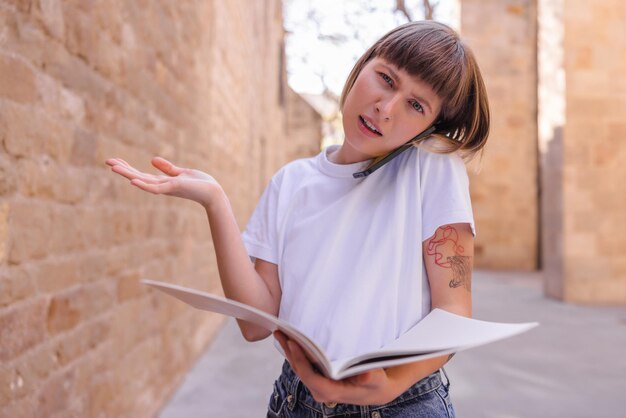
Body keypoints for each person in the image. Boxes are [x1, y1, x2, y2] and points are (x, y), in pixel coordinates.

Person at [106, 19, 489, 418]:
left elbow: (454, 310)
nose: (386, 108)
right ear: (362, 66)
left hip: (400, 404)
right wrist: (215, 202)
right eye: (386, 79)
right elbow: (256, 323)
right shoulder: (292, 182)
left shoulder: (431, 166)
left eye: (416, 105)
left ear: (431, 124)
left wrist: (388, 385)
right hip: (297, 401)